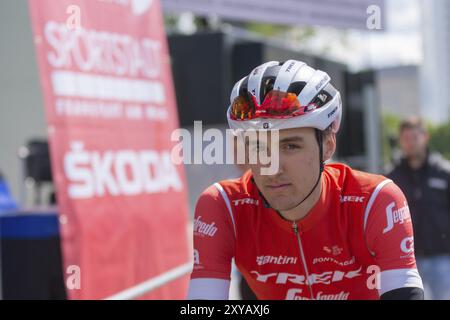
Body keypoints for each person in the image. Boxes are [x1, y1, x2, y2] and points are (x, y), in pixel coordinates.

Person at [187, 60, 424, 300]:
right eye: (259, 147)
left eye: (290, 146)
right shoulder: (223, 206)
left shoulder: (375, 200)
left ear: (328, 147)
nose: (272, 168)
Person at [388, 117, 450, 299]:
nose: (410, 143)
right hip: (406, 262)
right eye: (405, 139)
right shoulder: (391, 176)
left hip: (443, 259)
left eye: (414, 137)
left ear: (425, 137)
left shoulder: (444, 172)